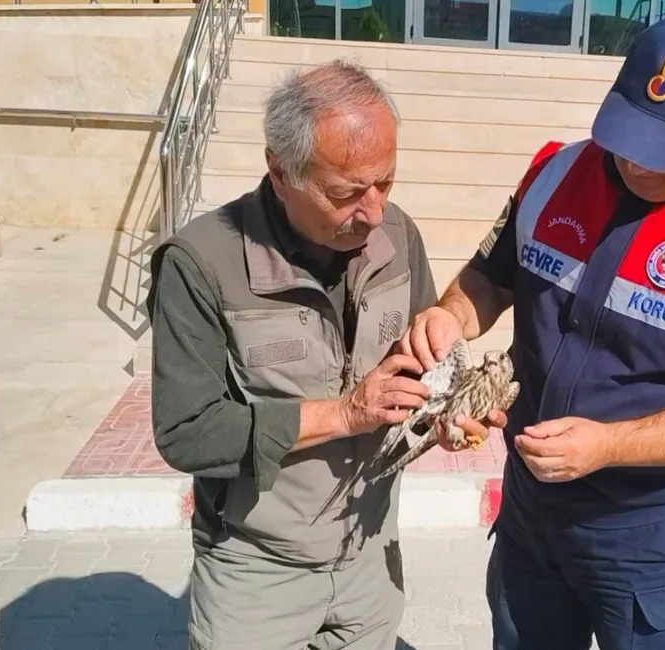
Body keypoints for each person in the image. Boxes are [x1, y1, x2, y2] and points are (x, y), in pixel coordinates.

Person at [397, 9, 665, 650]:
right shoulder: (555, 173)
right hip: (533, 513)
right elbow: (490, 278)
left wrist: (608, 446)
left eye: (663, 149)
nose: (636, 163)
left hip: (647, 530)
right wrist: (449, 316)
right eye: (627, 135)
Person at [145, 60, 502, 650]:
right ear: (279, 170)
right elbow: (186, 433)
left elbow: (418, 371)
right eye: (344, 193)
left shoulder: (398, 237)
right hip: (256, 570)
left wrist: (445, 418)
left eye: (385, 182)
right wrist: (343, 414)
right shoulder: (200, 262)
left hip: (369, 556)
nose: (374, 211)